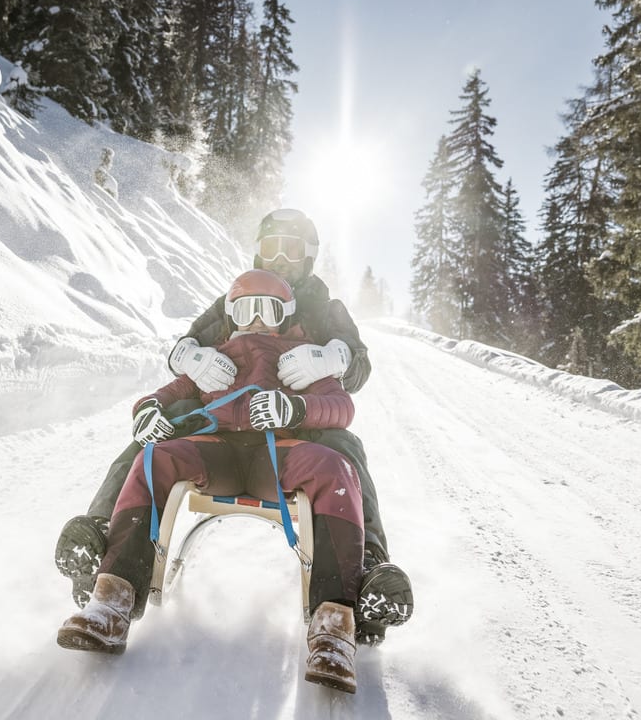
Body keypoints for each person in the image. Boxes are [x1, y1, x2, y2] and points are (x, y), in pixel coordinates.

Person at [55, 208, 413, 643]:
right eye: (271, 248)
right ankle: (103, 540)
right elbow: (188, 348)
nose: (280, 258)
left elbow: (356, 372)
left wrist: (332, 358)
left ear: (308, 256)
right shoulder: (240, 294)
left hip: (295, 421)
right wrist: (193, 358)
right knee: (150, 445)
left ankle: (366, 569)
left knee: (345, 447)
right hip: (223, 421)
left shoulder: (324, 308)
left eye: (291, 249)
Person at [57, 269, 365, 693]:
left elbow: (341, 406)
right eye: (246, 309)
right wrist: (147, 410)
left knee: (334, 467)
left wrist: (295, 409)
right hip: (218, 452)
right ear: (231, 313)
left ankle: (334, 627)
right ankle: (113, 598)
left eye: (268, 310)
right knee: (154, 457)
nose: (256, 320)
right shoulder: (218, 356)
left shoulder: (300, 357)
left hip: (277, 454)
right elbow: (168, 392)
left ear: (286, 314)